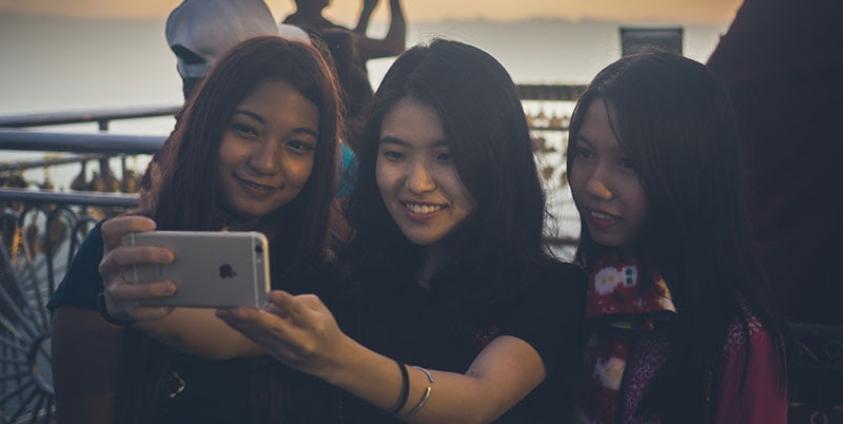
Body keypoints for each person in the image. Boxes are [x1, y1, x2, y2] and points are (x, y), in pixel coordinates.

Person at [217, 39, 586, 423]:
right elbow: (231, 331)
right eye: (394, 154)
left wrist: (337, 357)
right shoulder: (351, 276)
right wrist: (153, 293)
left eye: (447, 157)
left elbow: (480, 398)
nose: (417, 182)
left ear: (496, 159)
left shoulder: (552, 291)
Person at [49, 36, 343, 424]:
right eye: (247, 130)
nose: (266, 162)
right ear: (208, 126)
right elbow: (84, 406)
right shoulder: (123, 253)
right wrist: (110, 305)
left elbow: (239, 338)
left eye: (298, 145)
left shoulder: (328, 266)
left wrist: (140, 312)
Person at [565, 52, 788, 423]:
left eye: (628, 163)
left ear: (689, 172)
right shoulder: (575, 294)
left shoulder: (738, 340)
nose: (594, 185)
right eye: (585, 153)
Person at [284, 0, 406, 69]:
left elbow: (353, 42)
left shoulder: (289, 28)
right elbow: (395, 46)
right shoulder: (319, 35)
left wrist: (366, 11)